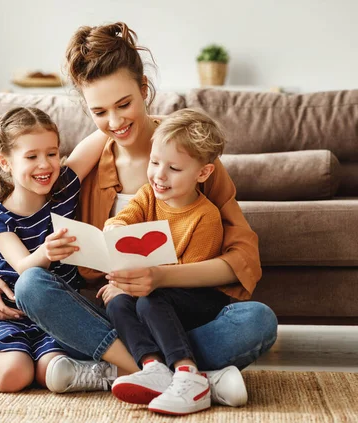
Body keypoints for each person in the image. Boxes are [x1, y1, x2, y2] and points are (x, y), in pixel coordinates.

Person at [0, 22, 278, 405]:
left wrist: (157, 277)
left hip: (182, 310)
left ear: (144, 91)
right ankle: (186, 374)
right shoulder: (84, 167)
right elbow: (25, 226)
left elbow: (240, 258)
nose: (116, 122)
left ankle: (134, 368)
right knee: (31, 287)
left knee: (258, 321)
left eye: (124, 105)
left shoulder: (190, 155)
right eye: (100, 112)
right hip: (116, 315)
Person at [0, 106, 127, 393]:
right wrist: (47, 252)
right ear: (5, 162)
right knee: (14, 376)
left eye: (51, 153)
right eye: (32, 157)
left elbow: (103, 132)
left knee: (55, 370)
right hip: (12, 315)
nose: (45, 164)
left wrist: (140, 117)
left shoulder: (65, 188)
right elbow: (24, 267)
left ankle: (56, 364)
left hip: (57, 316)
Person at [100, 108, 236, 415]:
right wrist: (115, 229)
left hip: (194, 300)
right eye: (154, 162)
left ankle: (190, 376)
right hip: (152, 295)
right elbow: (124, 218)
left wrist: (136, 285)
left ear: (203, 173)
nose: (159, 175)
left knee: (149, 301)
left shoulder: (206, 216)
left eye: (174, 168)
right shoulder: (148, 195)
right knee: (116, 304)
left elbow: (186, 280)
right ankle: (155, 367)